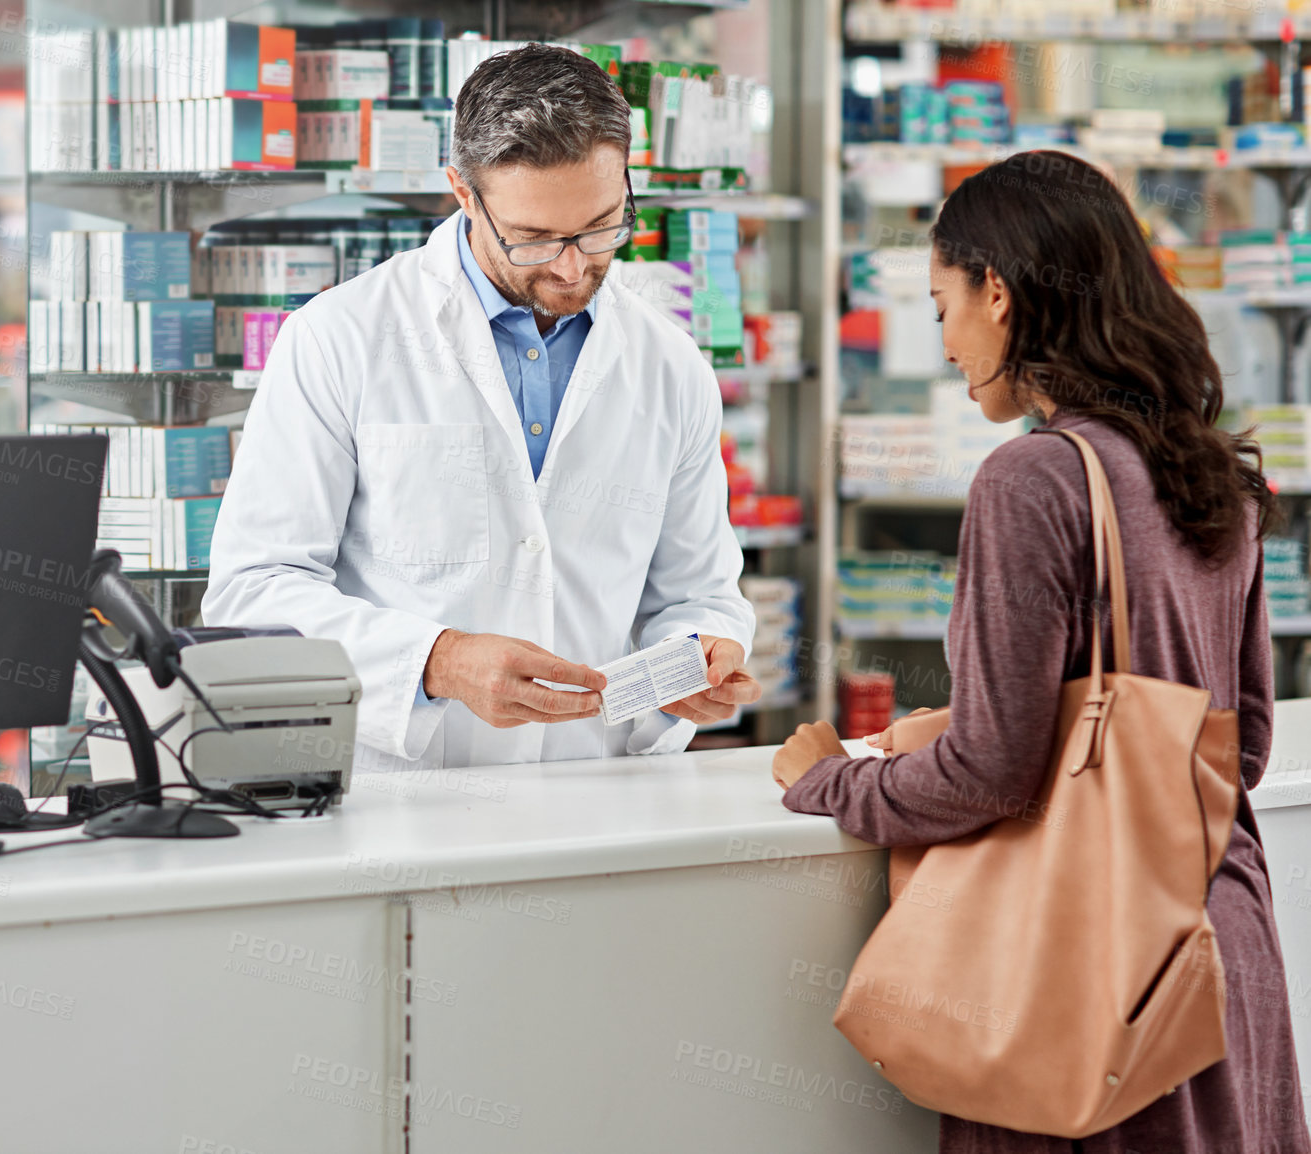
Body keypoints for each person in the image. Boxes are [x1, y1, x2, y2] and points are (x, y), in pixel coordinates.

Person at [771, 151, 1311, 1154]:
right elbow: (1234, 750)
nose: (942, 343)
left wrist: (832, 782)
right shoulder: (1218, 471)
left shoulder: (1033, 478)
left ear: (1000, 294)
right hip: (1217, 951)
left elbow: (993, 776)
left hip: (1084, 967)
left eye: (941, 305)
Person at [204, 43, 760, 773]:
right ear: (463, 193)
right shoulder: (340, 338)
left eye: (600, 228)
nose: (571, 265)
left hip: (597, 793)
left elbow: (699, 593)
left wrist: (702, 654)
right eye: (534, 239)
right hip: (398, 804)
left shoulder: (671, 365)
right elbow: (253, 592)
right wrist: (437, 663)